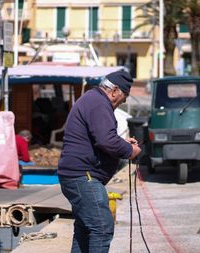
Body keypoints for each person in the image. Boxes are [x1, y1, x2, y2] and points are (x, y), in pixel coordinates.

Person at [58, 69, 141, 253]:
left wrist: (122, 143)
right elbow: (106, 141)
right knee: (102, 227)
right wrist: (129, 150)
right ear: (114, 91)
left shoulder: (93, 99)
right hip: (83, 177)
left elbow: (102, 137)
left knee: (85, 229)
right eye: (124, 97)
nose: (123, 102)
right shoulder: (99, 104)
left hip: (76, 176)